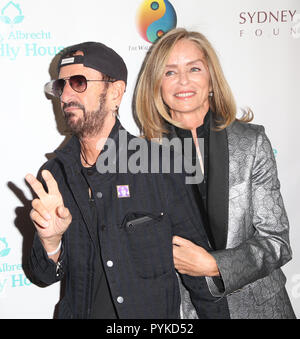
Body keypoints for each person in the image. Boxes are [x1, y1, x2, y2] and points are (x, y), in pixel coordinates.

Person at [25, 41, 229, 319]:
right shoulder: (54, 175)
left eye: (79, 82)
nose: (66, 95)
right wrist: (51, 242)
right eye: (61, 86)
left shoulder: (161, 165)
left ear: (116, 92)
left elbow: (199, 274)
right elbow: (42, 276)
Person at [134, 28, 296, 319]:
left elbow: (277, 243)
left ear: (210, 78)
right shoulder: (141, 158)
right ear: (156, 84)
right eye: (170, 72)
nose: (183, 81)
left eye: (194, 68)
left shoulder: (251, 142)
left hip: (261, 309)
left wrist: (214, 266)